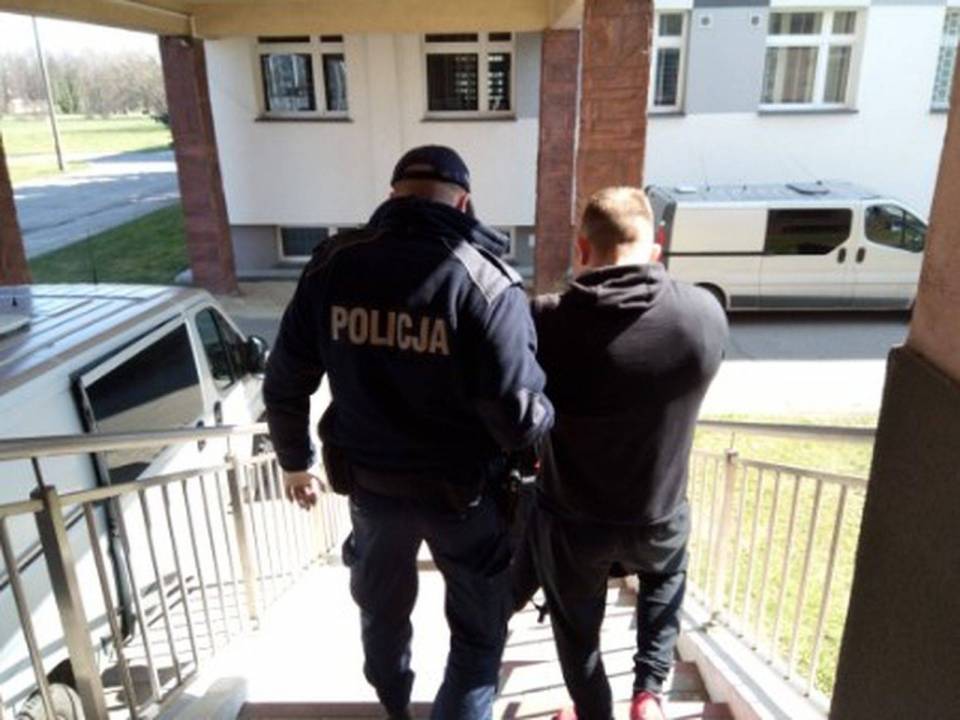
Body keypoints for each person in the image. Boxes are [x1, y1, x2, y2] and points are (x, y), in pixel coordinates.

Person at [262, 145, 554, 720]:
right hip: (464, 495)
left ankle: (395, 706)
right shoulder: (486, 282)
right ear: (464, 203)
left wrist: (295, 461)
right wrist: (548, 411)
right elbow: (518, 418)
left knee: (382, 610)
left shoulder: (331, 265)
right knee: (478, 638)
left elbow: (285, 379)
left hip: (372, 487)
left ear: (393, 195)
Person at [529, 187, 728, 720]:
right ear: (656, 247)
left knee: (577, 630)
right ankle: (649, 695)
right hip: (658, 512)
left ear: (581, 249)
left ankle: (594, 711)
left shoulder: (542, 322)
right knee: (666, 578)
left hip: (573, 521)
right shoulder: (702, 315)